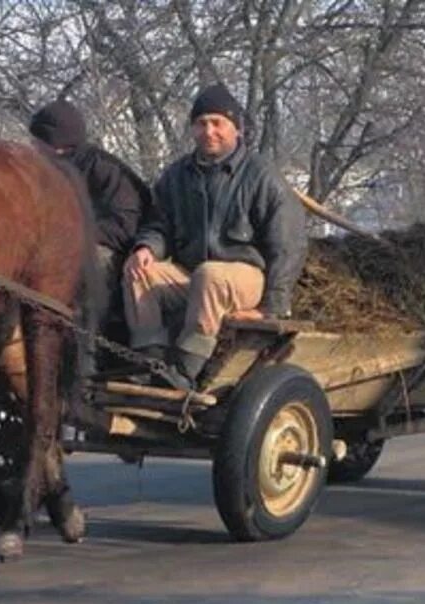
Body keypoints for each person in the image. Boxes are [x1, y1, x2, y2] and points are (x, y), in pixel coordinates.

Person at [123, 83, 307, 385]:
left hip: (247, 278)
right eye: (201, 123)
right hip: (194, 278)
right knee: (138, 271)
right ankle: (149, 363)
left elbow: (287, 245)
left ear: (236, 129)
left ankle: (185, 369)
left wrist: (271, 308)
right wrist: (147, 248)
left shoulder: (261, 176)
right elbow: (158, 225)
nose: (209, 131)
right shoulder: (176, 176)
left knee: (210, 275)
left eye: (217, 123)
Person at [29, 99, 155, 339]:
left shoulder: (105, 170)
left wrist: (71, 236)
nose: (33, 147)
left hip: (117, 252)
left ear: (56, 143)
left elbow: (124, 226)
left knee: (91, 262)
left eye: (38, 142)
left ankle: (89, 341)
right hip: (61, 245)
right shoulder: (43, 172)